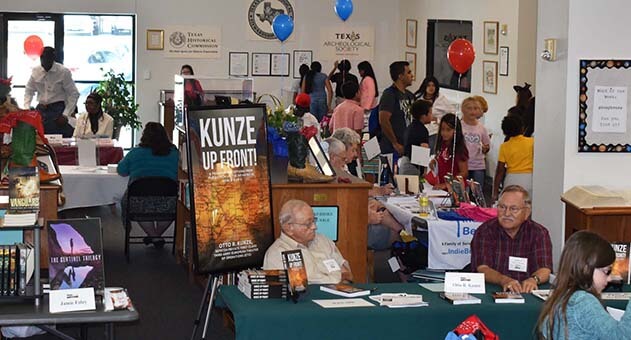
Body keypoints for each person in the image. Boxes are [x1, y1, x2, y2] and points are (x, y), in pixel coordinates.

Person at [536, 231, 631, 339]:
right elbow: (623, 337)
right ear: (586, 269)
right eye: (606, 271)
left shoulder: (562, 295)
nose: (609, 278)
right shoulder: (583, 302)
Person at [470, 185, 552, 293]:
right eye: (502, 207)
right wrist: (504, 280)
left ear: (527, 212)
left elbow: (545, 269)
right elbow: (482, 268)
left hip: (526, 291)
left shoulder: (538, 233)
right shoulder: (485, 231)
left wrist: (534, 279)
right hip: (492, 290)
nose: (507, 213)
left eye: (513, 209)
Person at [118, 122, 179, 247]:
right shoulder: (175, 153)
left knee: (134, 203)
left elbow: (121, 171)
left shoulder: (135, 153)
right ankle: (156, 235)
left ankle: (154, 236)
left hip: (139, 201)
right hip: (169, 202)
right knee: (176, 205)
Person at [263, 199, 353, 284]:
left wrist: (343, 282)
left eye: (314, 220)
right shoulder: (277, 254)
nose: (314, 227)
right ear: (289, 227)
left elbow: (346, 274)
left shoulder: (323, 240)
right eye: (308, 224)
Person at [24, 46, 79, 137]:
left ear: (53, 58)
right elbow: (29, 91)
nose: (44, 60)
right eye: (42, 57)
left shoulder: (63, 72)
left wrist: (65, 114)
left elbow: (73, 94)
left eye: (47, 58)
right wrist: (27, 109)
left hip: (58, 109)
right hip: (41, 109)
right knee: (39, 138)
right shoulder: (36, 71)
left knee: (59, 138)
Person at [379, 61, 415, 160]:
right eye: (408, 72)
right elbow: (383, 120)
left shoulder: (410, 95)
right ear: (400, 76)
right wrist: (394, 143)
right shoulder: (390, 94)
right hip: (393, 147)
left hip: (408, 145)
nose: (412, 76)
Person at [492, 115, 534, 201]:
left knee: (511, 204)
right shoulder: (532, 142)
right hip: (529, 178)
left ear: (504, 132)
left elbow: (500, 170)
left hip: (511, 178)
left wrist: (495, 192)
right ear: (523, 127)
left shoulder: (504, 146)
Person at [429, 113, 469, 190]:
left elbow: (464, 172)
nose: (444, 133)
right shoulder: (442, 144)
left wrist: (447, 184)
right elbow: (441, 160)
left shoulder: (460, 148)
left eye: (448, 130)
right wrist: (434, 162)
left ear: (456, 131)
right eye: (442, 129)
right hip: (443, 187)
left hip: (456, 189)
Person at [460, 97, 491, 188]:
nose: (472, 111)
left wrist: (485, 148)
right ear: (463, 110)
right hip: (462, 164)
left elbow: (487, 144)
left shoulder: (481, 128)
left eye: (475, 108)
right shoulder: (459, 125)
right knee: (462, 191)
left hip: (478, 165)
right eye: (469, 108)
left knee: (477, 192)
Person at [400, 99, 433, 175]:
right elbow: (423, 150)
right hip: (413, 167)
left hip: (404, 163)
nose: (432, 115)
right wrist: (424, 171)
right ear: (423, 116)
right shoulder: (422, 130)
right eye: (430, 113)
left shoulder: (410, 127)